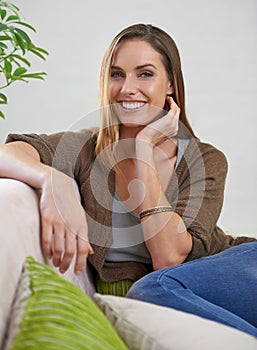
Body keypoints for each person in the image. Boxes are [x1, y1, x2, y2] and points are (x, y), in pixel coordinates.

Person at [0, 23, 256, 336]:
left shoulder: (205, 160)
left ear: (171, 85)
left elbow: (169, 258)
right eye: (117, 74)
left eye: (145, 74)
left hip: (240, 269)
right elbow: (8, 153)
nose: (127, 88)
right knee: (150, 294)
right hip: (176, 301)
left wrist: (144, 152)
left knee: (151, 291)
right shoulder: (86, 150)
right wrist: (52, 180)